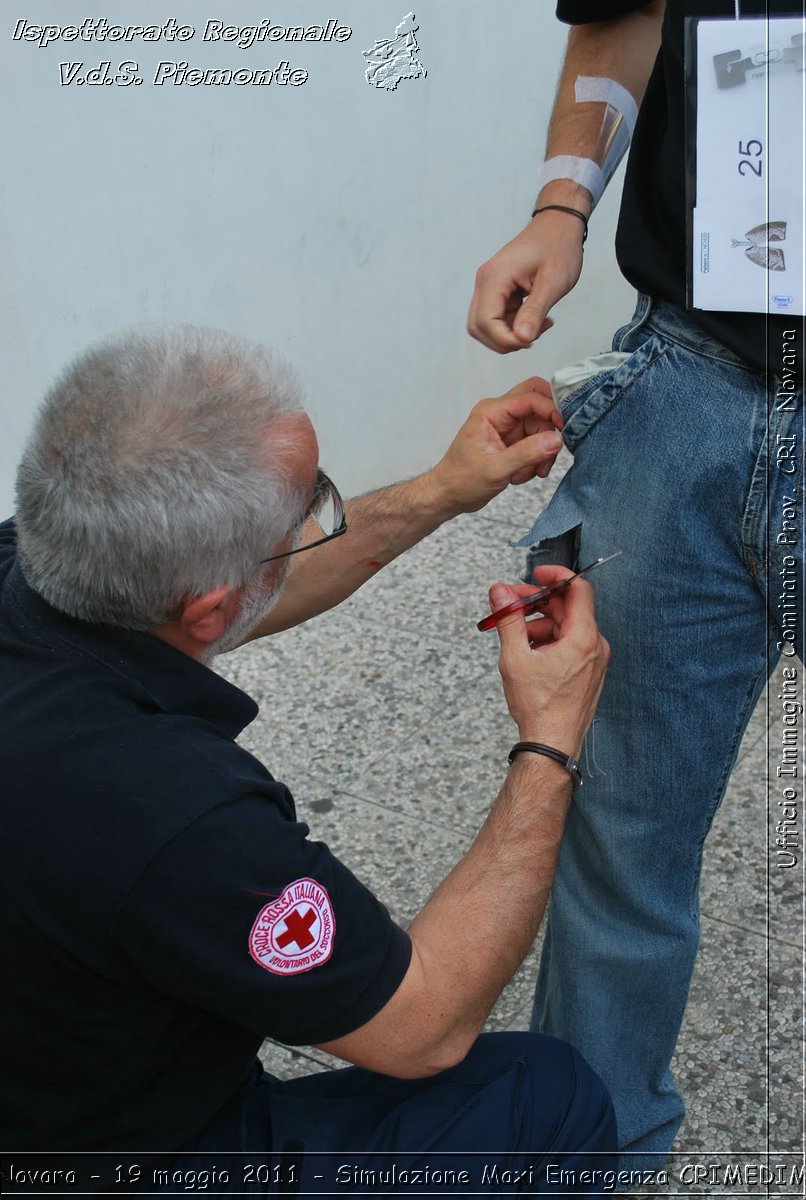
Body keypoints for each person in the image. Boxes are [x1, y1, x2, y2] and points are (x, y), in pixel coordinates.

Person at [1, 325, 616, 1193]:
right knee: (547, 1097)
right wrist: (550, 739)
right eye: (311, 502)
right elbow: (421, 1025)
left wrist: (443, 490)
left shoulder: (39, 558)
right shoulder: (174, 811)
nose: (321, 512)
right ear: (206, 607)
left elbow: (250, 590)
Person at [467, 0, 804, 1166]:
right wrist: (561, 205)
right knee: (619, 826)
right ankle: (587, 1157)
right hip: (688, 380)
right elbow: (625, 12)